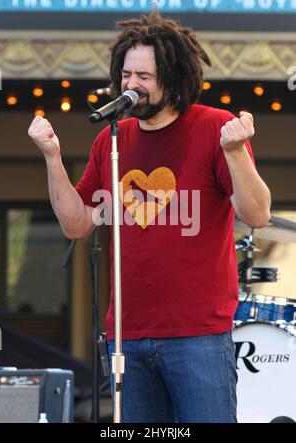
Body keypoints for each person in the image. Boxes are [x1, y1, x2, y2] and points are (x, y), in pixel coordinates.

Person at [28, 11, 271, 423]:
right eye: (126, 74)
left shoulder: (216, 128)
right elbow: (78, 223)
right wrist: (52, 157)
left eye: (143, 75)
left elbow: (258, 213)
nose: (130, 85)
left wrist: (235, 153)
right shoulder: (112, 139)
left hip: (199, 336)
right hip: (129, 336)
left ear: (172, 77)